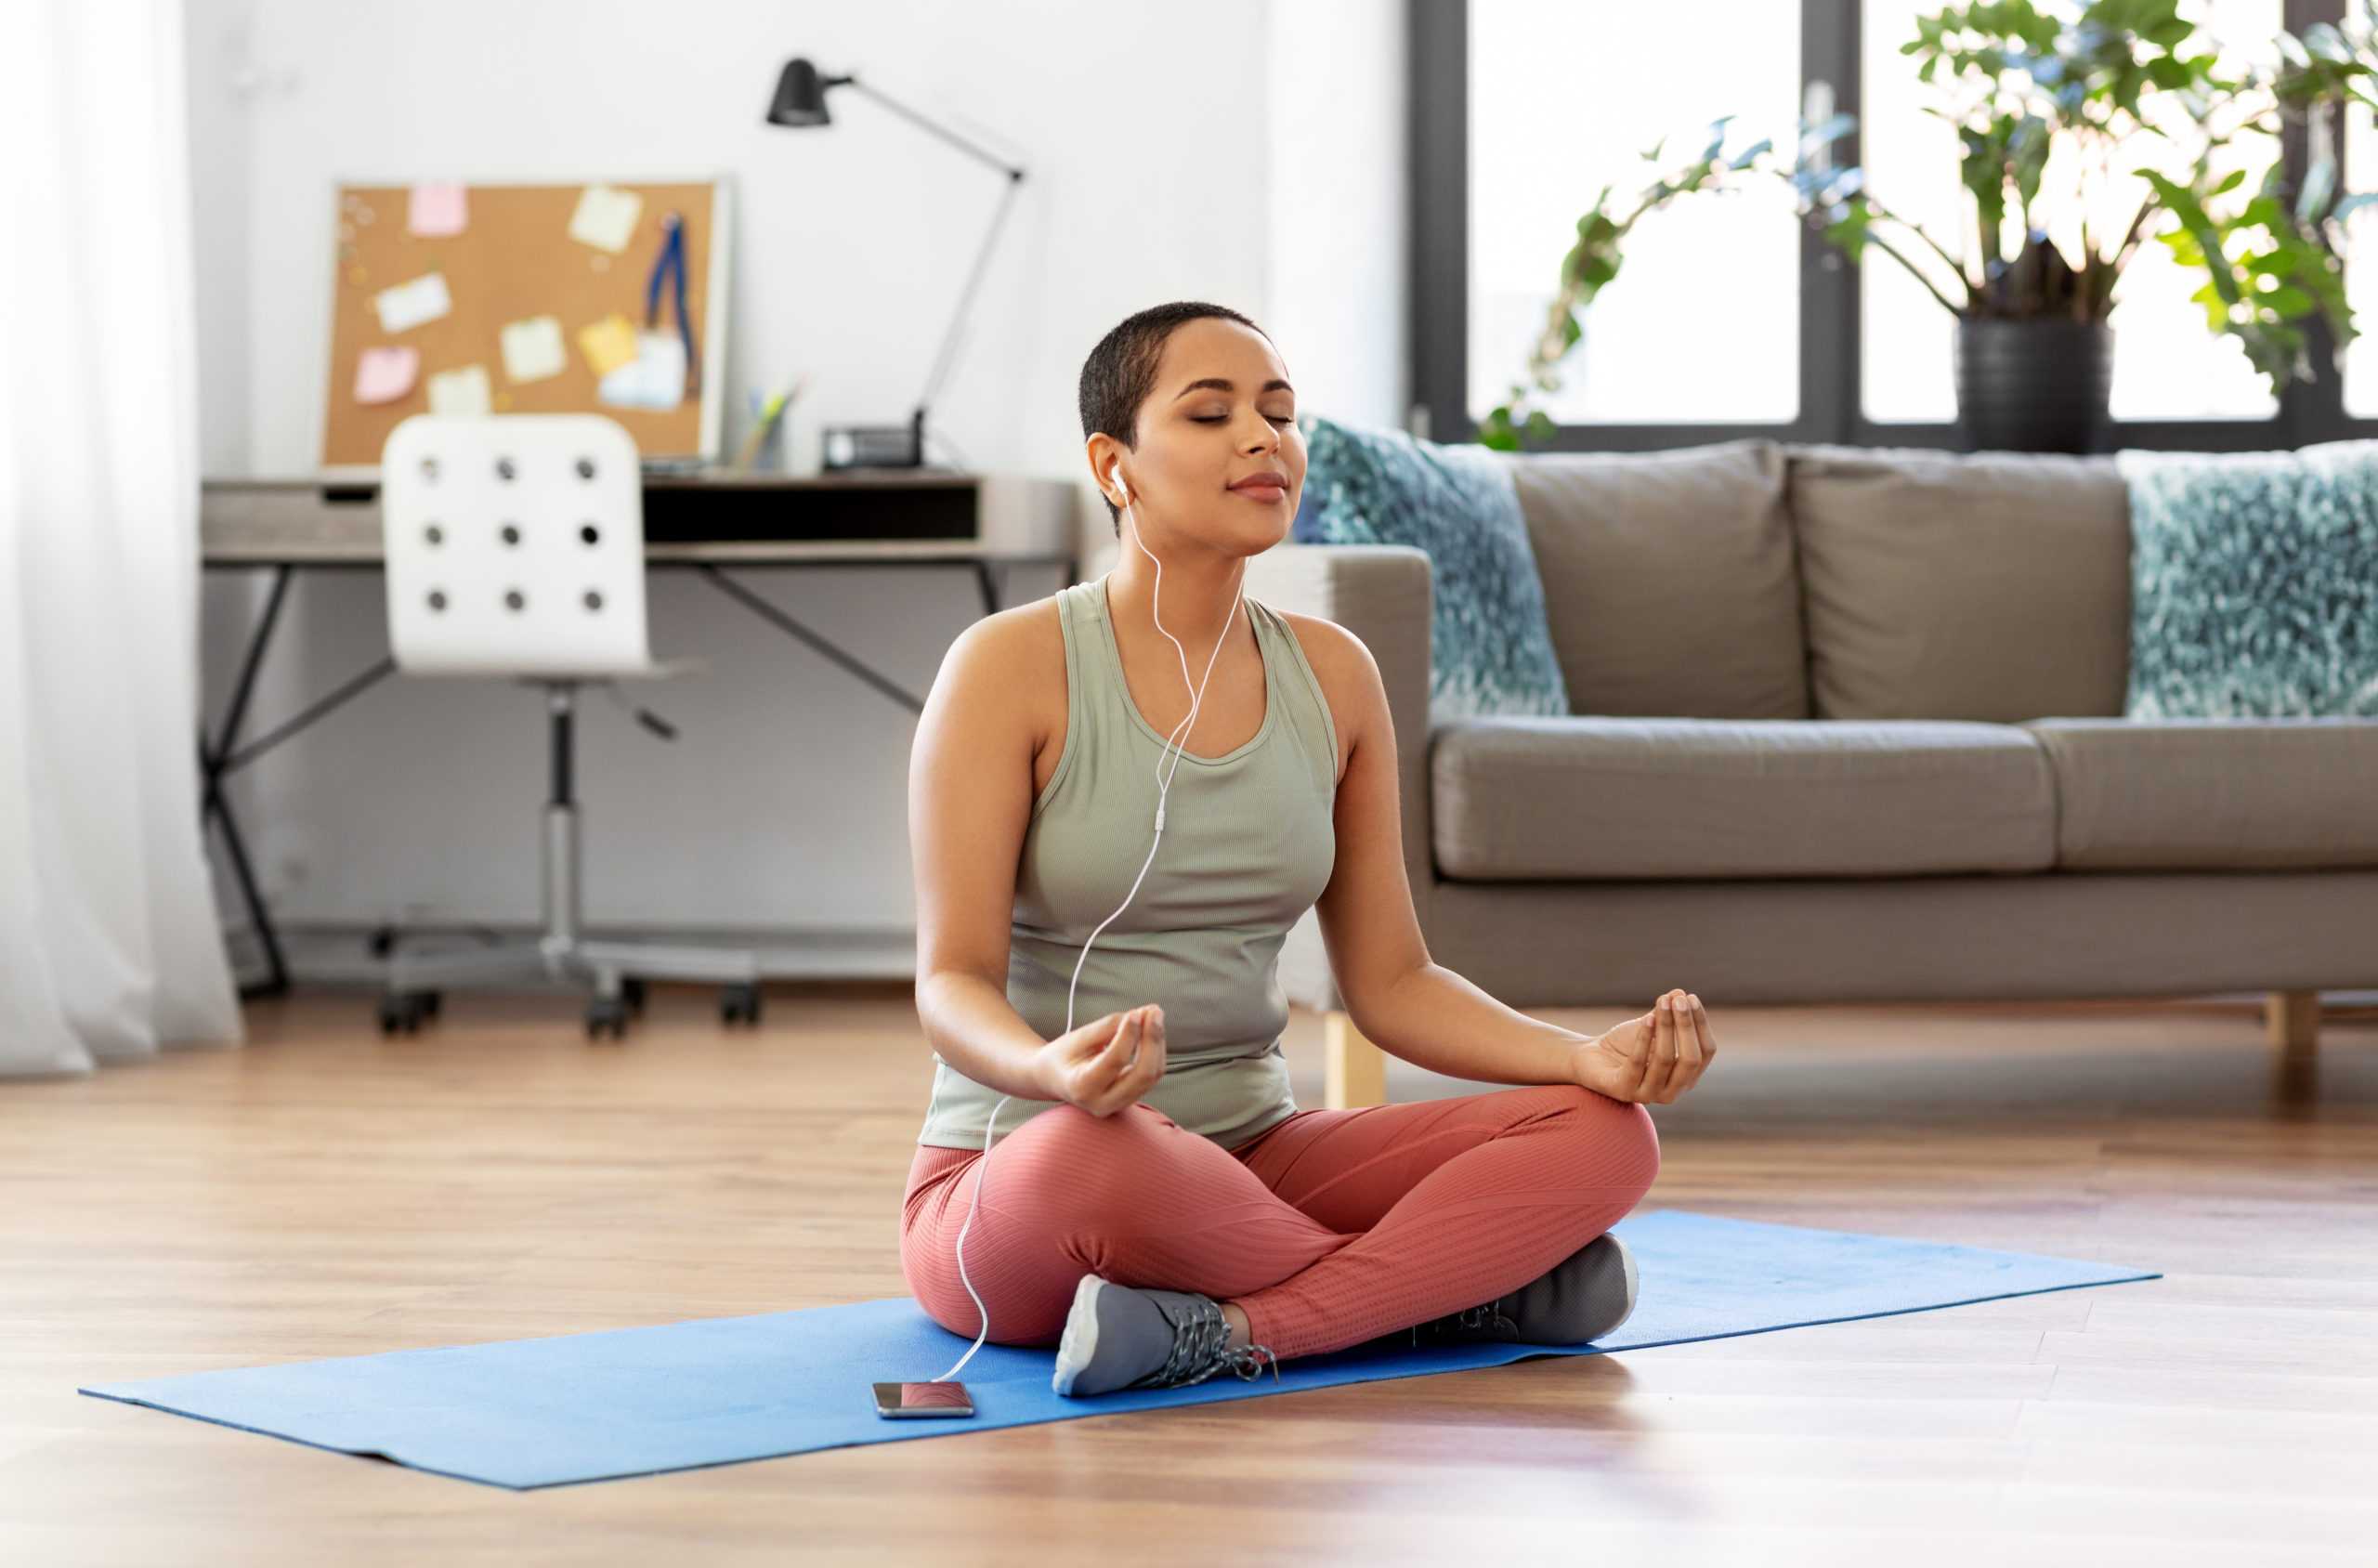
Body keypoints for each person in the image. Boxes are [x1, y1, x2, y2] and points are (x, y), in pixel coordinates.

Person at [903, 301, 1716, 1397]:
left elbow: (1392, 981)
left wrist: (1579, 1056)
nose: (1262, 438)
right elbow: (950, 979)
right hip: (1034, 1168)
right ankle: (1455, 1294)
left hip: (1261, 1160)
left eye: (1280, 413)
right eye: (1211, 413)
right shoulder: (1006, 664)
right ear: (1115, 463)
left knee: (1606, 1136)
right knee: (1098, 1154)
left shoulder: (1334, 675)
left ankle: (1238, 1331)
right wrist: (1049, 1069)